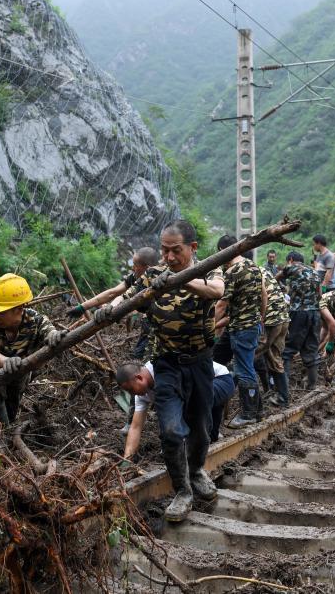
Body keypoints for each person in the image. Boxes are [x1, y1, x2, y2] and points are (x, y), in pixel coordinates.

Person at [95, 219, 224, 522]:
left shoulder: (209, 269)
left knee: (201, 427)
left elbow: (216, 292)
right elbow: (124, 299)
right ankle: (182, 491)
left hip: (200, 363)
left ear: (192, 248)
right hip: (166, 365)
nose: (168, 258)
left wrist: (181, 280)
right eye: (164, 251)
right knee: (169, 430)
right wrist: (107, 310)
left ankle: (196, 471)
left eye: (175, 251)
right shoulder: (153, 276)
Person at [0, 273, 64, 423]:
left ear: (19, 309)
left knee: (14, 394)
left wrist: (54, 336)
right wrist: (6, 361)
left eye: (1, 312)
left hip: (22, 370)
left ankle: (8, 424)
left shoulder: (37, 321)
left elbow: (51, 332)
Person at [118, 359, 235, 462]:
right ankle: (208, 433)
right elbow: (135, 427)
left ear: (139, 378)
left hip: (219, 380)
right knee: (211, 438)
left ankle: (189, 440)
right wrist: (127, 460)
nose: (131, 394)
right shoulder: (141, 395)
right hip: (200, 396)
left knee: (189, 403)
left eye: (131, 389)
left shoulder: (163, 367)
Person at [66, 247, 160, 359]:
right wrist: (82, 307)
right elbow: (113, 293)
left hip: (161, 328)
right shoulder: (135, 277)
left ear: (147, 268)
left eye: (135, 264)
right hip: (148, 324)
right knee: (138, 357)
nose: (132, 267)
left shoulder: (161, 280)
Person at [214, 236, 267, 428]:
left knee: (244, 369)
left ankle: (249, 414)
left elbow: (221, 304)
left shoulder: (232, 271)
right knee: (216, 358)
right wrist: (260, 319)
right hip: (245, 325)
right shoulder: (254, 267)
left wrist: (208, 326)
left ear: (223, 250)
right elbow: (264, 295)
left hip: (241, 329)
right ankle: (258, 410)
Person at [277, 252, 322, 393]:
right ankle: (312, 386)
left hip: (299, 313)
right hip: (315, 313)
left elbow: (274, 279)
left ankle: (284, 391)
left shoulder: (291, 267)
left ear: (290, 260)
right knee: (311, 350)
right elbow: (320, 294)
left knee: (287, 351)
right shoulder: (314, 272)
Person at [257, 269, 290, 407]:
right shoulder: (263, 269)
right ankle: (279, 394)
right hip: (283, 317)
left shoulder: (242, 271)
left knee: (252, 355)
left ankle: (253, 401)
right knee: (274, 357)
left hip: (271, 319)